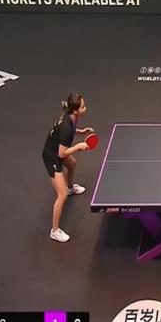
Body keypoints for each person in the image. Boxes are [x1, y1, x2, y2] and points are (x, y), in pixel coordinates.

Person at [42, 93, 94, 242]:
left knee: (72, 164)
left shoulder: (70, 115)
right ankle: (55, 231)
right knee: (62, 194)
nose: (85, 108)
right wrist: (79, 146)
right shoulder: (66, 128)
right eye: (83, 107)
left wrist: (81, 131)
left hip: (56, 150)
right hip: (52, 157)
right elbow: (62, 153)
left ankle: (71, 188)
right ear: (75, 110)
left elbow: (72, 127)